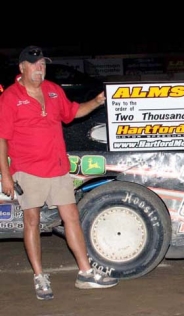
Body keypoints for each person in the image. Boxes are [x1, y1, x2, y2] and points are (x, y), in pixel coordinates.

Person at [0, 46, 119, 300]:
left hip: (58, 167)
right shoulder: (10, 97)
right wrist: (6, 175)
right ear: (22, 68)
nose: (39, 69)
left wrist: (97, 101)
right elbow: (2, 139)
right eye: (34, 64)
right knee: (32, 221)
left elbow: (73, 112)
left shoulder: (53, 90)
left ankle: (85, 273)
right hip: (28, 169)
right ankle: (39, 276)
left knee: (71, 217)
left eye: (42, 64)